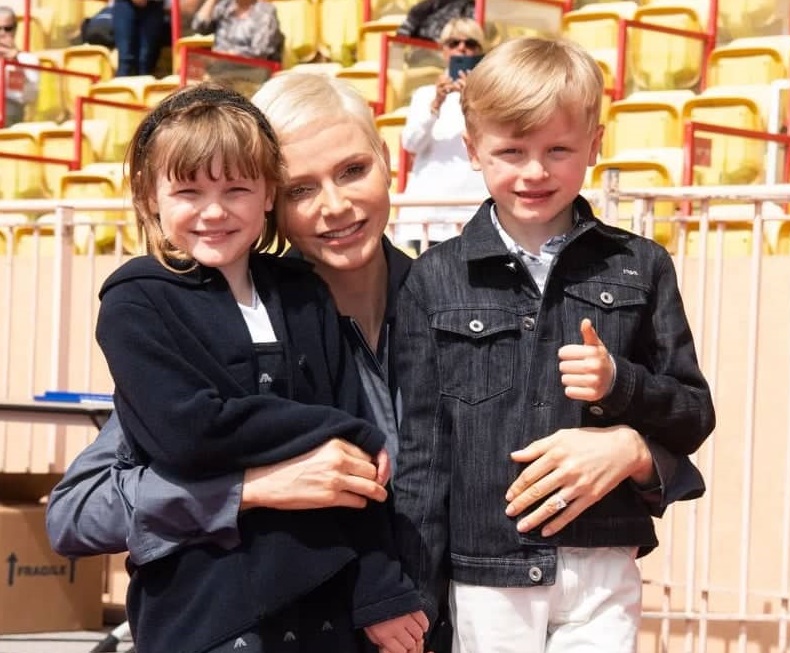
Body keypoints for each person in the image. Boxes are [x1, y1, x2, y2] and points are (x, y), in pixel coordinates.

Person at [46, 72, 706, 653]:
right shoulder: (230, 328)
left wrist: (635, 452)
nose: (334, 205)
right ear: (268, 198)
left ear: (389, 160)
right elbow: (78, 510)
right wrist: (252, 488)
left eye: (352, 170)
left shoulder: (464, 293)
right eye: (301, 188)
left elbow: (626, 435)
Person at [390, 36, 716, 653]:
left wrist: (621, 384)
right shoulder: (433, 278)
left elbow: (693, 414)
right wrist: (415, 593)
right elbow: (424, 458)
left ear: (595, 144)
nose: (535, 172)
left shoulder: (642, 265)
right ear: (473, 150)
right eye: (511, 151)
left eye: (557, 150)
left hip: (603, 567)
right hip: (486, 575)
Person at [88, 82, 426, 653]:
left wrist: (381, 591)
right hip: (210, 619)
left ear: (263, 193)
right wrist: (271, 477)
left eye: (236, 188)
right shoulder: (138, 302)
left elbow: (359, 471)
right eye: (303, 187)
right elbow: (171, 445)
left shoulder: (308, 295)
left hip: (345, 615)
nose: (214, 210)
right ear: (149, 195)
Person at [396, 18, 488, 253]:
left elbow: (494, 141)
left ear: (479, 51)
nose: (462, 48)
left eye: (470, 43)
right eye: (453, 43)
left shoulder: (490, 96)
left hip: (473, 209)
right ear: (443, 50)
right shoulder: (424, 95)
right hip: (430, 212)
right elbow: (411, 144)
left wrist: (471, 102)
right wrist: (436, 103)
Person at [192, 0, 284, 64]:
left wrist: (225, 56)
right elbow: (199, 28)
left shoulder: (265, 11)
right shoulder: (224, 7)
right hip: (219, 70)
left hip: (251, 73)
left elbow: (261, 53)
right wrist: (211, 1)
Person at [0, 6, 39, 127]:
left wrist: (15, 62)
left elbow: (29, 96)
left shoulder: (27, 59)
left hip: (10, 113)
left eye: (7, 29)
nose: (2, 33)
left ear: (15, 30)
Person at [112, 0, 165, 76]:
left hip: (153, 5)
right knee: (125, 59)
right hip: (124, 3)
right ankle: (123, 81)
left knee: (146, 59)